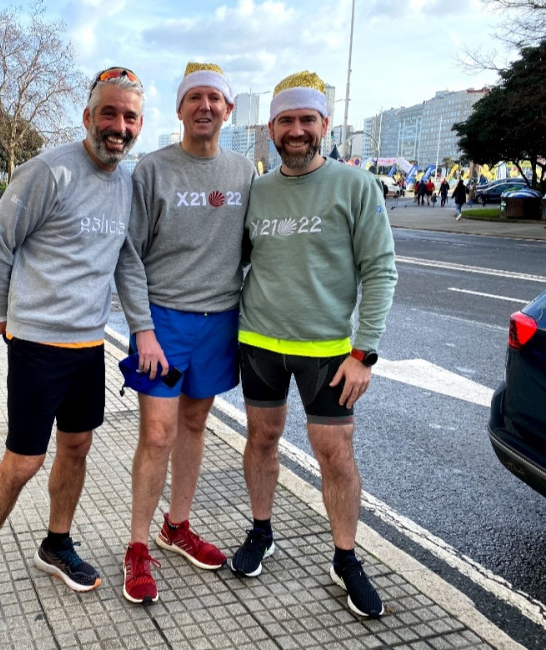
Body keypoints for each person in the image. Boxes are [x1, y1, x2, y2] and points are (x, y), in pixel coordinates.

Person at [0, 66, 144, 639]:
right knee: (23, 463)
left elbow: (125, 261)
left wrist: (143, 329)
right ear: (88, 116)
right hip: (37, 345)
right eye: (109, 113)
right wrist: (7, 314)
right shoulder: (49, 171)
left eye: (129, 117)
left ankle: (56, 543)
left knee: (77, 448)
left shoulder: (126, 183)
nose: (119, 126)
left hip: (89, 345)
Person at [230, 71, 397, 619]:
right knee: (261, 440)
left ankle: (346, 558)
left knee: (335, 454)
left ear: (324, 124)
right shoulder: (257, 190)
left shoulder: (356, 186)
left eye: (307, 120)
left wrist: (363, 352)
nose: (296, 130)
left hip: (327, 349)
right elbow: (236, 262)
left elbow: (380, 272)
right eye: (286, 121)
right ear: (270, 129)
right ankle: (262, 531)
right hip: (257, 341)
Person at [113, 62, 256, 605]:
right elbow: (128, 255)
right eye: (194, 98)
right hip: (164, 321)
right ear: (178, 110)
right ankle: (137, 544)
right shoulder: (151, 171)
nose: (204, 107)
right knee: (157, 433)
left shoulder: (245, 172)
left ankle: (178, 526)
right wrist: (142, 329)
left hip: (219, 320)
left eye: (214, 99)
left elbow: (252, 249)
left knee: (195, 424)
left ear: (228, 110)